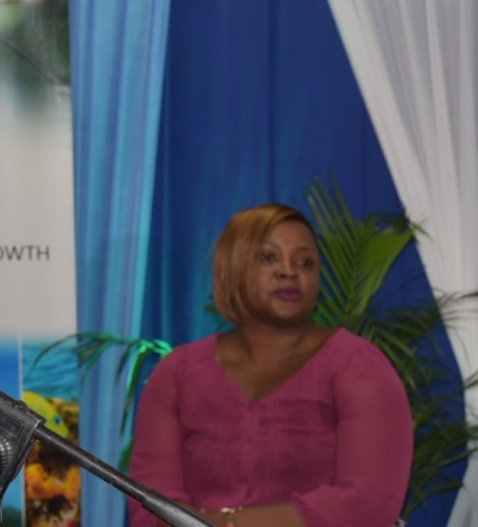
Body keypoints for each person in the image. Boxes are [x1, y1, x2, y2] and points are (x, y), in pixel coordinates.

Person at [127, 203, 413, 527]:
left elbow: (367, 504)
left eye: (305, 262)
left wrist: (227, 524)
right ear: (233, 268)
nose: (289, 271)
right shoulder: (177, 375)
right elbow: (150, 508)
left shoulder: (359, 368)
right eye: (269, 257)